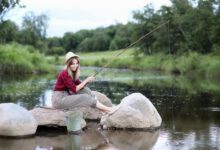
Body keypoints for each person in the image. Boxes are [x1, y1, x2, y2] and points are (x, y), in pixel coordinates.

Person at [51, 51, 119, 114]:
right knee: (85, 97)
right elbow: (74, 89)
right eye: (72, 64)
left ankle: (104, 110)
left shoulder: (72, 73)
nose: (75, 65)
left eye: (76, 63)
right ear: (68, 64)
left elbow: (80, 85)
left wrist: (88, 81)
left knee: (85, 90)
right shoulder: (64, 73)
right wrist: (86, 80)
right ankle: (109, 110)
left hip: (66, 96)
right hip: (59, 100)